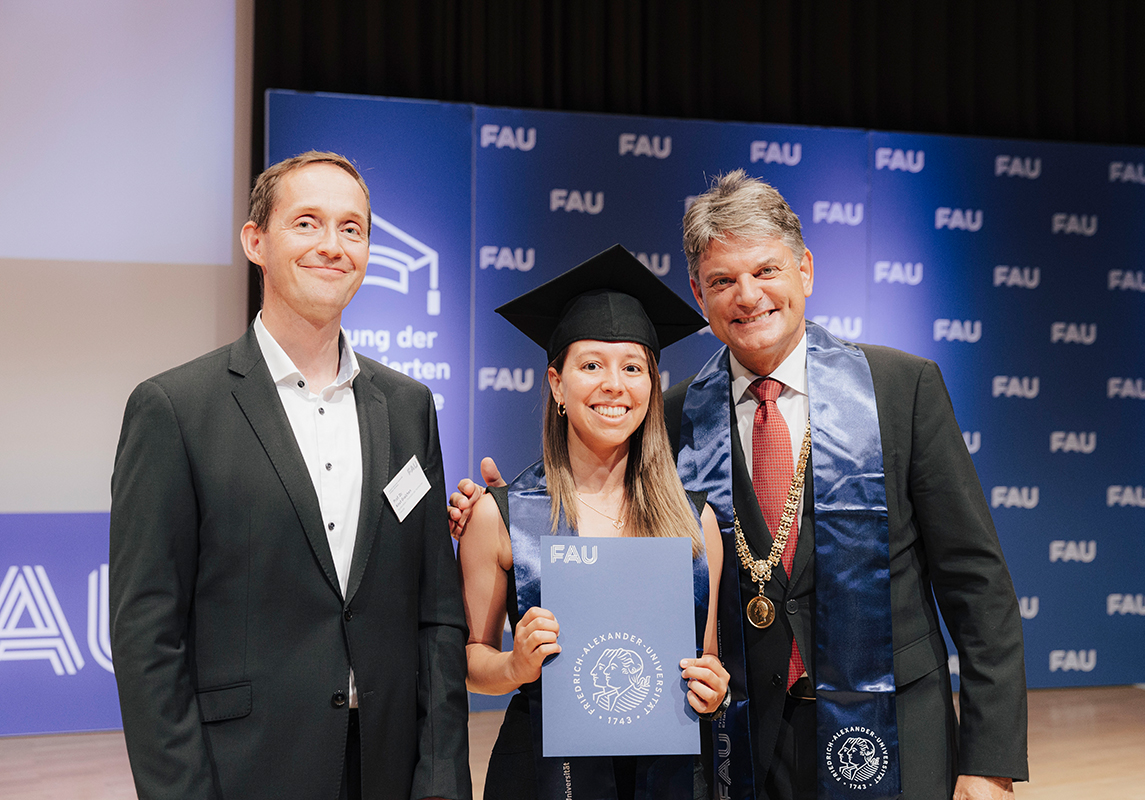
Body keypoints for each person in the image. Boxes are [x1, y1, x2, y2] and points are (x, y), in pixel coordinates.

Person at [451, 172, 1029, 800]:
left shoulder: (900, 388)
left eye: (766, 271)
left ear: (804, 270)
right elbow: (598, 513)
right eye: (723, 281)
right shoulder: (668, 417)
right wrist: (503, 516)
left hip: (891, 729)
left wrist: (989, 760)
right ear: (699, 295)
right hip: (743, 745)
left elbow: (977, 582)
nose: (748, 296)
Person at [110, 151, 470, 800]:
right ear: (256, 242)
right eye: (306, 223)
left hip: (386, 770)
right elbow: (147, 636)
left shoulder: (410, 408)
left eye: (352, 228)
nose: (332, 246)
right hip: (243, 773)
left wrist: (442, 777)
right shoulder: (174, 409)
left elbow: (438, 617)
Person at [456, 245, 730, 800]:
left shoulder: (695, 520)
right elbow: (471, 662)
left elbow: (707, 657)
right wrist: (516, 664)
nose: (614, 385)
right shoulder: (503, 515)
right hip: (541, 775)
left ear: (652, 387)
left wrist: (713, 688)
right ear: (557, 384)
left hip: (669, 776)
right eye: (591, 366)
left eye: (633, 367)